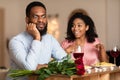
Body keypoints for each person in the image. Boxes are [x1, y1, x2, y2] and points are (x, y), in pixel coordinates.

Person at [7, 1, 67, 80]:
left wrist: (44, 66)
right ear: (27, 20)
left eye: (43, 16)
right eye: (36, 16)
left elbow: (65, 61)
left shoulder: (50, 39)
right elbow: (30, 68)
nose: (40, 20)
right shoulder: (16, 42)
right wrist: (37, 38)